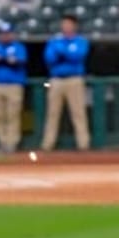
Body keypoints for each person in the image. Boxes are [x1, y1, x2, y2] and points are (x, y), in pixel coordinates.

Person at [41, 13, 90, 151]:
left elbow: (77, 56)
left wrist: (62, 52)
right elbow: (49, 58)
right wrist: (65, 53)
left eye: (69, 24)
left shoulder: (80, 41)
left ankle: (83, 144)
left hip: (74, 79)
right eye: (64, 24)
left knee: (78, 112)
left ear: (74, 26)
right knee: (52, 113)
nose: (66, 26)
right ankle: (47, 144)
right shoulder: (54, 41)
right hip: (56, 80)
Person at [0, 21, 27, 153]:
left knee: (12, 115)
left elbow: (18, 62)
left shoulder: (18, 47)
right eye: (2, 34)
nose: (4, 36)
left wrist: (2, 59)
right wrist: (6, 59)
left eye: (7, 33)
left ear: (12, 34)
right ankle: (2, 143)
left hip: (14, 85)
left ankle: (12, 143)